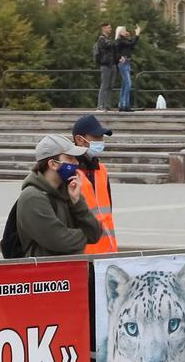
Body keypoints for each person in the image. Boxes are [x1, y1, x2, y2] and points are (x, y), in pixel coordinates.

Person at [16, 134, 111, 256]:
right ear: (53, 164)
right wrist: (84, 235)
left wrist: (77, 202)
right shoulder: (32, 197)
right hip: (47, 272)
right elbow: (59, 241)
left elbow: (95, 234)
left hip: (71, 270)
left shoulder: (68, 191)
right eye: (70, 158)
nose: (76, 163)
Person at [69, 114, 119, 255]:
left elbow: (107, 212)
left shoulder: (101, 170)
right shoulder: (70, 171)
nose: (101, 142)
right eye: (96, 138)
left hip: (107, 251)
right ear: (79, 139)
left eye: (102, 138)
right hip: (82, 254)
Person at [94, 24, 119, 111]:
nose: (111, 29)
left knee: (110, 86)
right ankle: (100, 105)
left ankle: (107, 104)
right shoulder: (101, 39)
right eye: (109, 28)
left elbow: (115, 47)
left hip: (113, 65)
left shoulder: (109, 39)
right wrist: (116, 40)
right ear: (104, 29)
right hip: (105, 65)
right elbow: (108, 45)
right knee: (104, 85)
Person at [115, 25, 138, 111]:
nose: (126, 32)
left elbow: (131, 46)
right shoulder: (119, 41)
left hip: (127, 62)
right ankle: (124, 104)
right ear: (120, 32)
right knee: (128, 83)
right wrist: (137, 34)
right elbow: (132, 43)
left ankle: (123, 104)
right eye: (124, 30)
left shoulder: (124, 40)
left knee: (125, 84)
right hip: (123, 63)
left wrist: (129, 36)